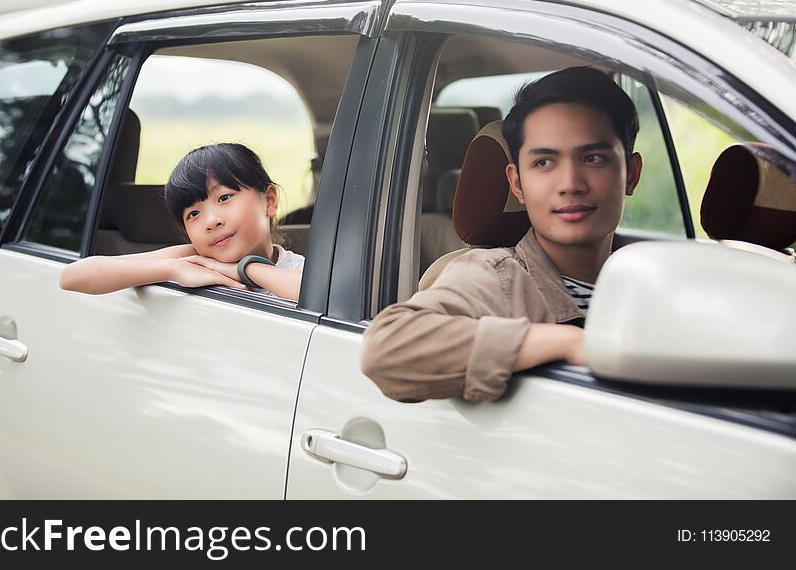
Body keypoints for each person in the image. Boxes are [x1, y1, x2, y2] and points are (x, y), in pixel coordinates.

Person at [361, 66, 643, 403]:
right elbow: (388, 347)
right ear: (517, 184)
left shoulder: (653, 279)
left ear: (631, 173)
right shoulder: (496, 278)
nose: (570, 184)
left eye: (593, 158)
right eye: (544, 163)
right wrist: (570, 344)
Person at [59, 143, 303, 300]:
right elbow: (74, 276)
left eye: (225, 197)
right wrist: (174, 268)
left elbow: (316, 296)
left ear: (269, 201)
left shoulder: (298, 269)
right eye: (193, 214)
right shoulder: (193, 258)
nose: (211, 221)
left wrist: (245, 268)